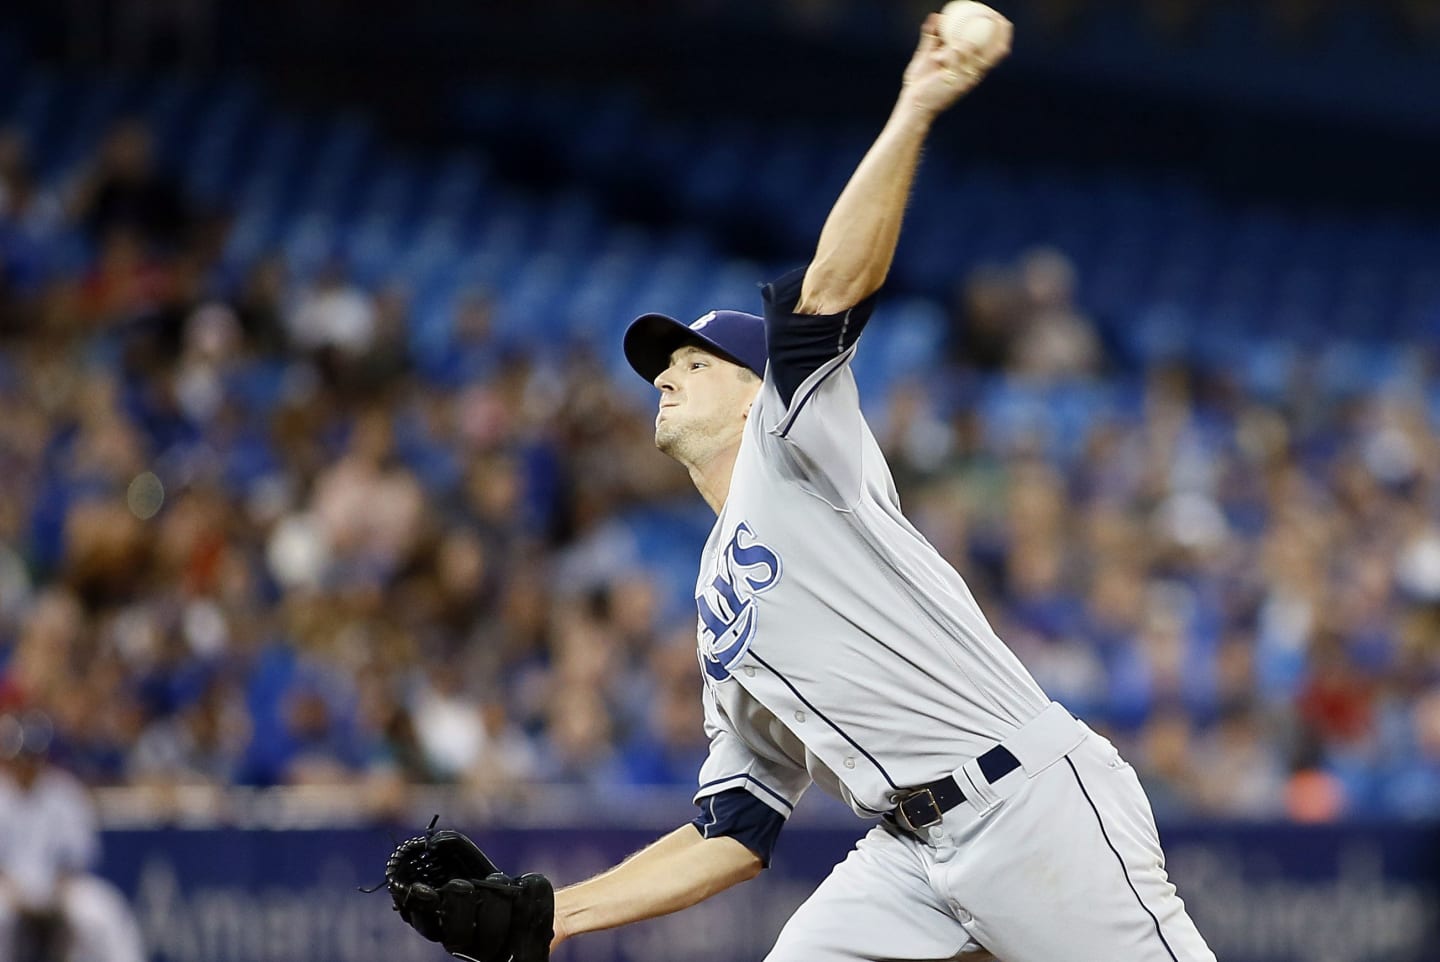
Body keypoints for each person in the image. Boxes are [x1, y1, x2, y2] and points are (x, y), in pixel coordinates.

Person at [548, 11, 1217, 962]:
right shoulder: (712, 597)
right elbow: (734, 829)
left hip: (1026, 804)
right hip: (913, 851)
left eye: (699, 360)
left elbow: (830, 293)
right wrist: (553, 915)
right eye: (669, 361)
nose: (670, 370)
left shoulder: (795, 450)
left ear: (757, 397)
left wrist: (917, 103)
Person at [0, 712, 146, 962]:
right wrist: (15, 893)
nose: (27, 763)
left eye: (32, 756)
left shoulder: (64, 791)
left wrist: (58, 892)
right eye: (21, 756)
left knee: (104, 911)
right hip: (7, 888)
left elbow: (79, 857)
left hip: (61, 888)